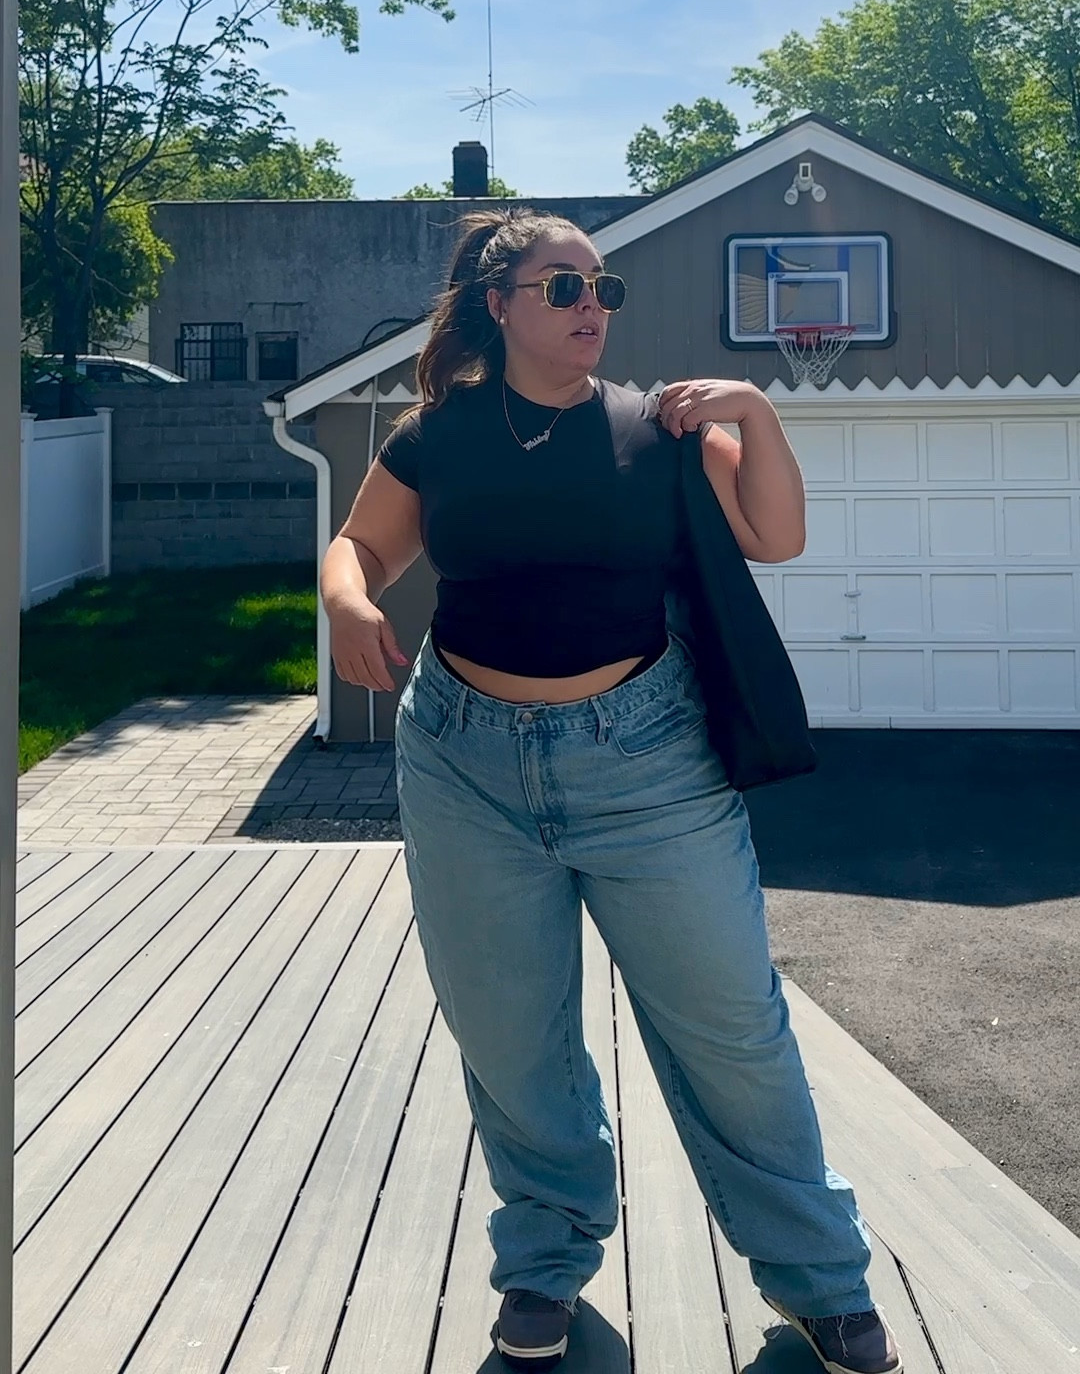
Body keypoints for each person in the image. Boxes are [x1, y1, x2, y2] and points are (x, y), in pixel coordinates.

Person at [321, 208, 903, 1374]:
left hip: (649, 765)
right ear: (500, 305)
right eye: (564, 286)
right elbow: (362, 546)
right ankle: (544, 1265)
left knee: (732, 1027)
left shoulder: (659, 428)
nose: (592, 305)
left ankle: (824, 1284)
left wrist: (755, 411)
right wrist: (346, 601)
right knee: (512, 1036)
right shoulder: (437, 436)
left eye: (603, 288)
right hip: (464, 766)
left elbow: (778, 534)